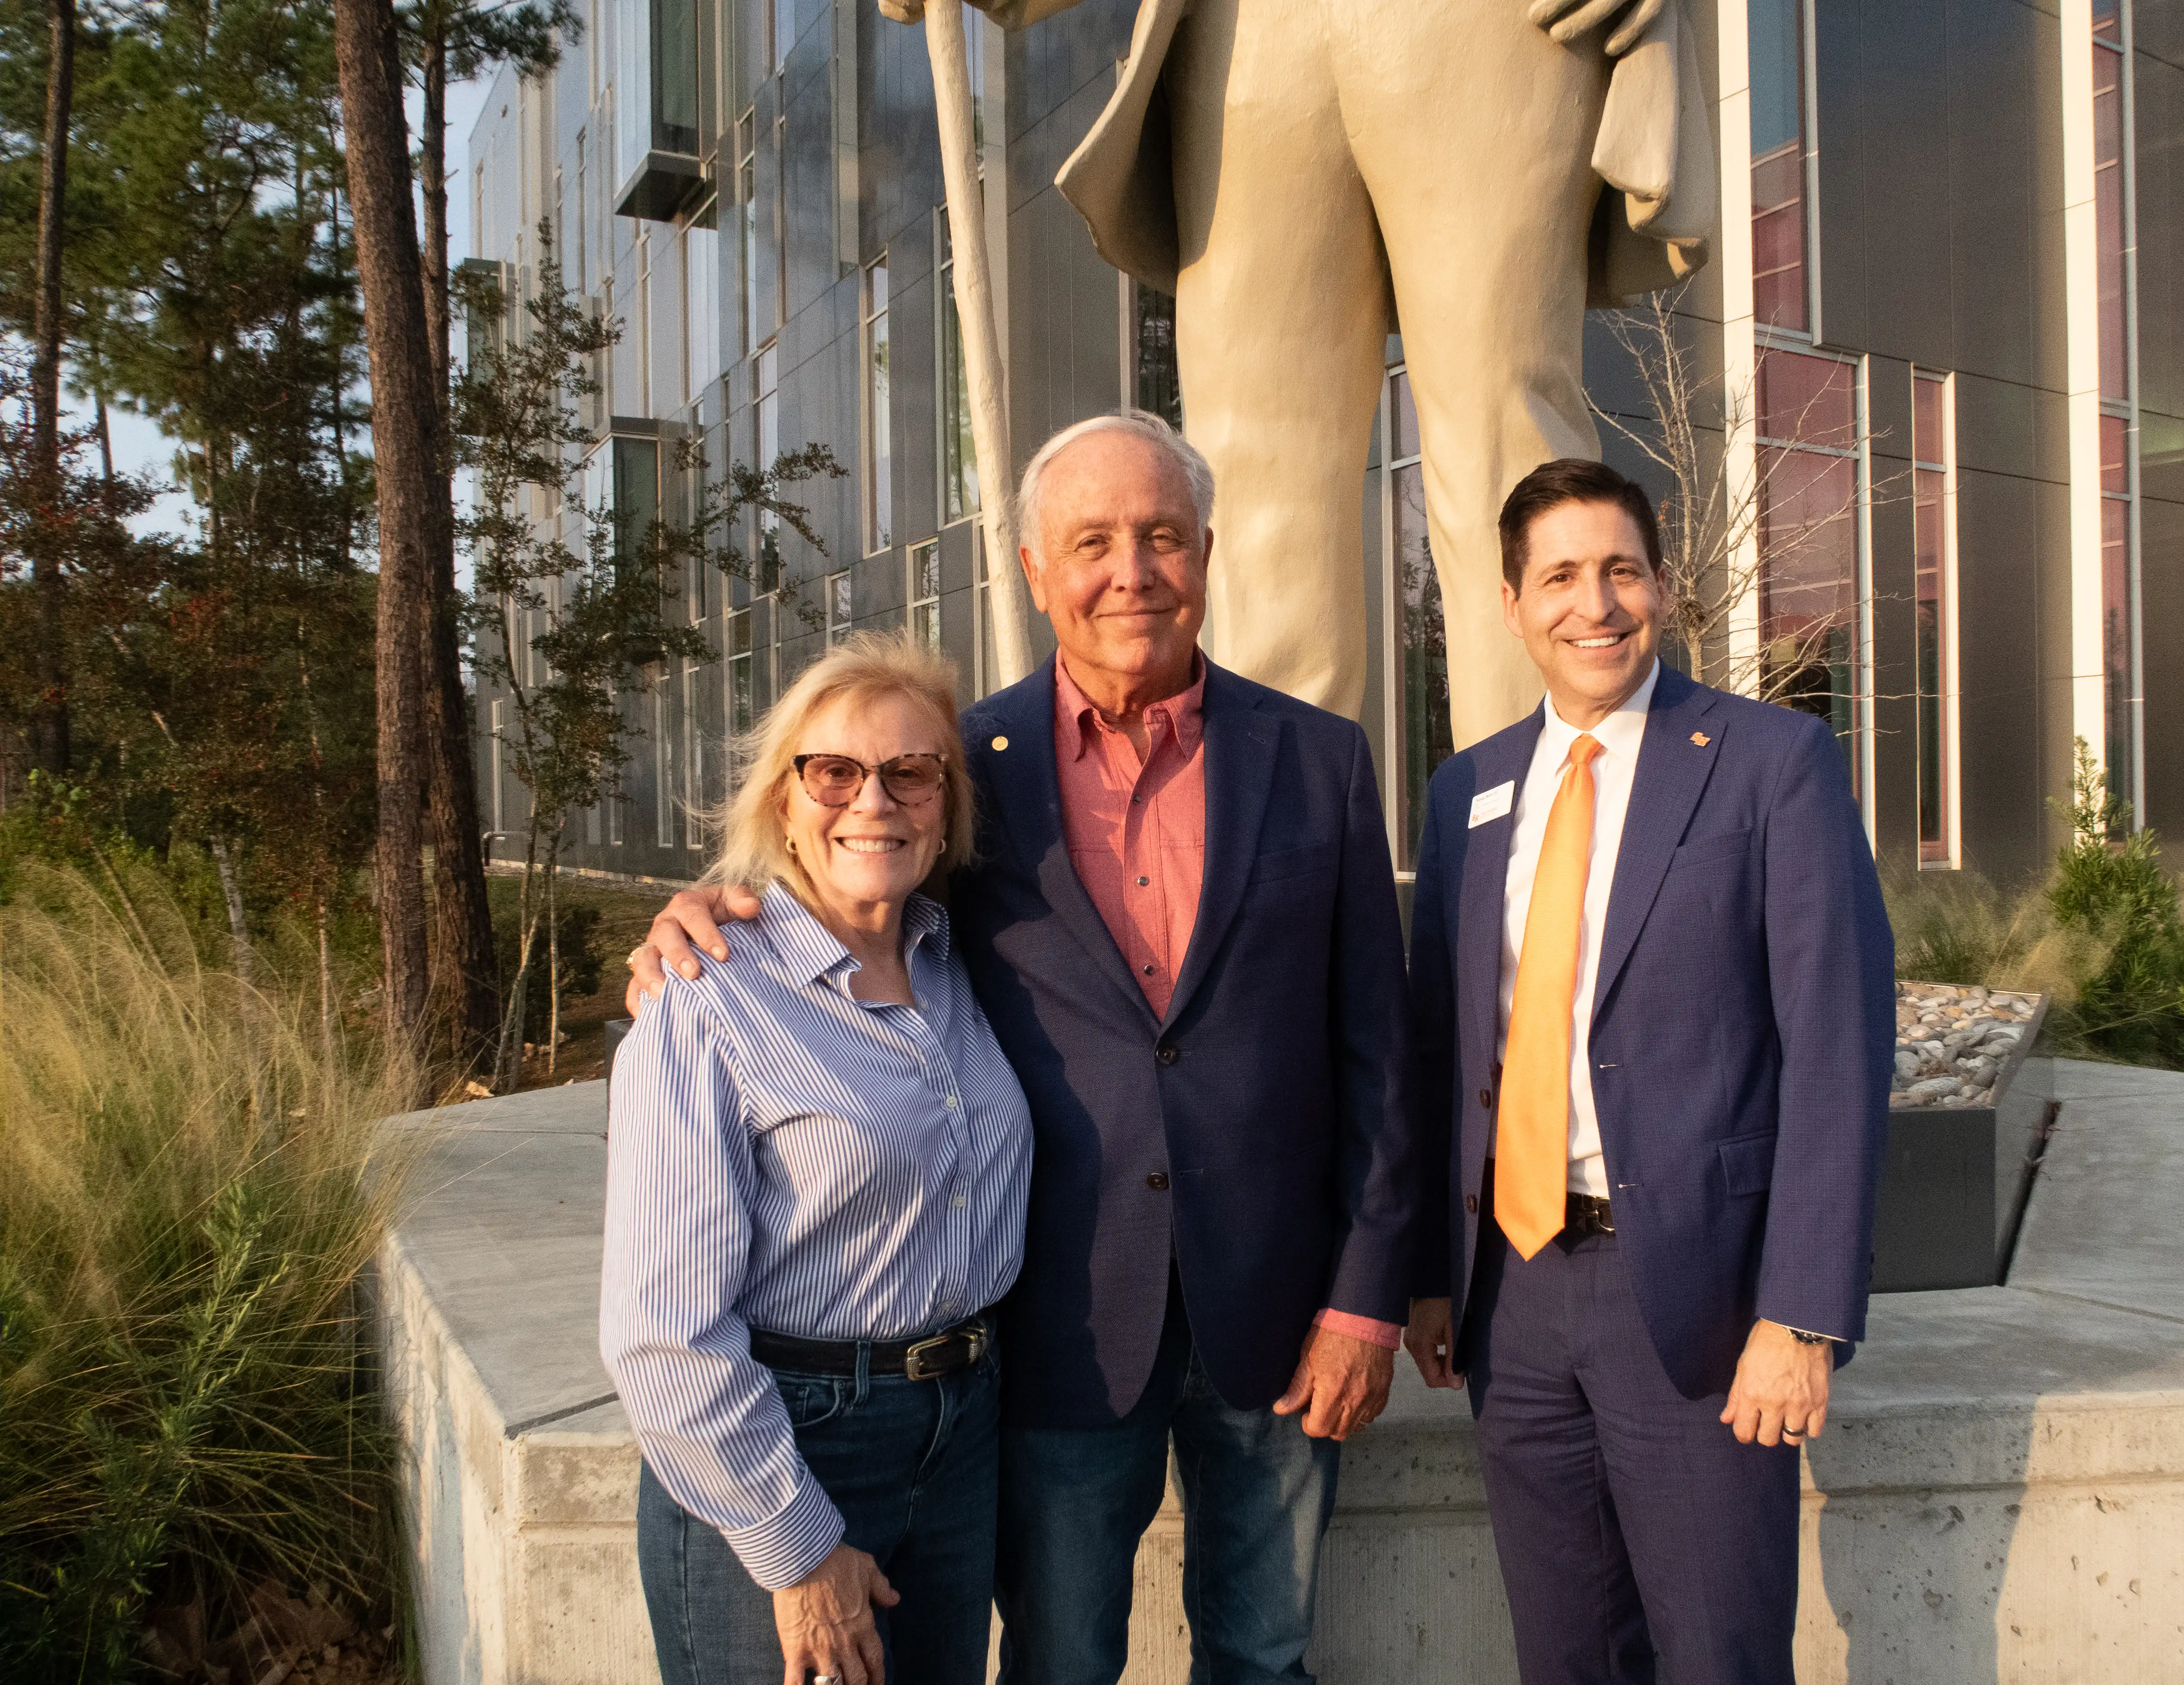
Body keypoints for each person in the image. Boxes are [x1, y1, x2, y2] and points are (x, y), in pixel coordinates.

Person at [629, 411, 1419, 1685]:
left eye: (1162, 536)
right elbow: (844, 870)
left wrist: (1369, 1293)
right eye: (1093, 541)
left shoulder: (1318, 758)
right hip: (1059, 1327)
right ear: (1033, 565)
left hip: (1280, 1315)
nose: (1132, 570)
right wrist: (699, 910)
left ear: (1208, 553)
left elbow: (1377, 1050)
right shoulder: (963, 767)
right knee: (1057, 1665)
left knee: (1266, 1655)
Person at [880, 0, 1712, 748]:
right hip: (1243, 37)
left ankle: (1561, 853)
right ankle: (1272, 868)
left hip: (1493, 30)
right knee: (1248, 491)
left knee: (1508, 456)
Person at [1401, 459, 1893, 1685]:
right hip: (1509, 1301)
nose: (1596, 603)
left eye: (1621, 569)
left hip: (1696, 1303)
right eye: (1560, 576)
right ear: (1514, 606)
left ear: (1663, 588)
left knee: (1719, 1656)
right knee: (1567, 1658)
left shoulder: (1773, 764)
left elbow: (1837, 1045)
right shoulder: (1466, 792)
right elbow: (1437, 1047)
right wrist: (1425, 1275)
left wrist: (1801, 1315)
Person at [601, 633, 1032, 1685]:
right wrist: (797, 1553)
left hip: (961, 1431)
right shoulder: (706, 997)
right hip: (791, 1444)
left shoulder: (955, 964)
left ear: (947, 801)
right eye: (834, 772)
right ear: (785, 801)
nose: (872, 801)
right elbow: (661, 1335)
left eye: (910, 771)